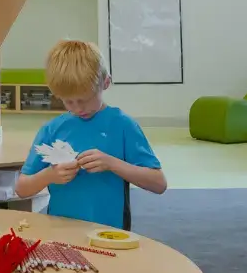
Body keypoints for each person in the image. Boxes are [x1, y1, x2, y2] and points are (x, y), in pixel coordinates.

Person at [15, 40, 166, 230]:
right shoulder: (52, 129)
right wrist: (49, 175)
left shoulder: (123, 126)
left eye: (84, 100)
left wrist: (112, 163)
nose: (78, 109)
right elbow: (22, 189)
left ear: (106, 83)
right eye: (68, 102)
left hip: (110, 233)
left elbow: (158, 184)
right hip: (61, 232)